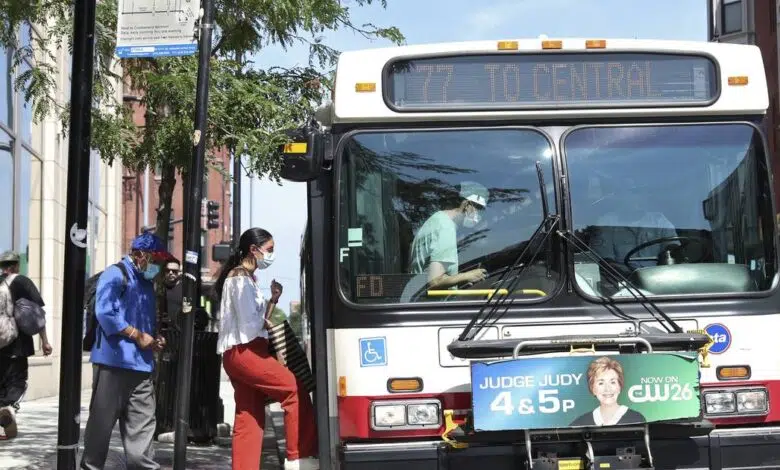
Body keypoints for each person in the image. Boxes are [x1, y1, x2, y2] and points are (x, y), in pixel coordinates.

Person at [215, 227, 318, 470]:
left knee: (248, 416)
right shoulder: (239, 279)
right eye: (269, 249)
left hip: (238, 355)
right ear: (253, 249)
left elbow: (253, 320)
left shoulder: (242, 278)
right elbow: (251, 324)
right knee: (294, 389)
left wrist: (272, 300)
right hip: (248, 352)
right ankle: (298, 457)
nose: (271, 255)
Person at [80, 232, 171, 470]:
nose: (158, 267)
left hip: (142, 367)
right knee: (100, 429)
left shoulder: (147, 284)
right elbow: (105, 313)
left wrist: (153, 339)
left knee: (142, 434)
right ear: (140, 255)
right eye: (156, 260)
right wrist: (138, 335)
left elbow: (144, 322)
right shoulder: (115, 274)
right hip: (113, 364)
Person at [0, 250, 50, 439]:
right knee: (17, 382)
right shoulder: (22, 282)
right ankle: (8, 408)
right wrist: (44, 341)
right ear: (16, 265)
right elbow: (38, 315)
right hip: (18, 345)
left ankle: (6, 424)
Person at [409, 181, 491, 289]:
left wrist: (459, 279)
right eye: (479, 209)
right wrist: (468, 275)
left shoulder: (436, 220)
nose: (479, 215)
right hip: (437, 305)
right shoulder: (446, 227)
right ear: (467, 205)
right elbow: (435, 281)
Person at [569, 357, 646, 427]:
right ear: (593, 388)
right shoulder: (581, 423)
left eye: (612, 382)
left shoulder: (637, 419)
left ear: (619, 386)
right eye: (601, 383)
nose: (607, 389)